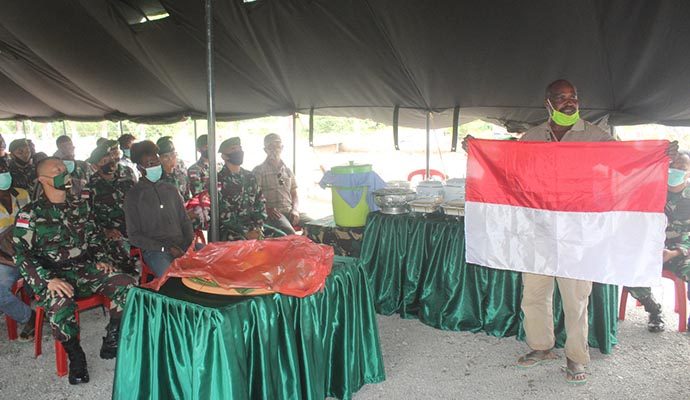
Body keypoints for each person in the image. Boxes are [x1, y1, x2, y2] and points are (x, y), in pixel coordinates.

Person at [13, 157, 135, 385]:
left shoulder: (80, 206)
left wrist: (100, 259)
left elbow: (94, 237)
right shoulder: (29, 214)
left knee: (127, 284)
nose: (64, 173)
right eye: (57, 170)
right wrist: (47, 280)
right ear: (43, 180)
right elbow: (22, 255)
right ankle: (75, 355)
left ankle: (113, 335)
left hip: (83, 269)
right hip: (52, 275)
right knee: (60, 304)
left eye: (64, 168)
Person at [627, 151, 690, 332]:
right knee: (628, 268)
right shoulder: (652, 191)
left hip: (681, 251)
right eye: (672, 166)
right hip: (650, 248)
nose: (675, 170)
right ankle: (654, 310)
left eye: (681, 167)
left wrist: (674, 252)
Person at [125, 141, 194, 277]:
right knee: (173, 279)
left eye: (157, 162)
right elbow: (134, 236)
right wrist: (165, 248)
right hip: (156, 251)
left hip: (182, 245)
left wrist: (189, 244)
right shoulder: (134, 196)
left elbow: (185, 221)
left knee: (212, 263)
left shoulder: (171, 189)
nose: (156, 167)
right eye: (150, 164)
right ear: (140, 168)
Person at [86, 141, 137, 274]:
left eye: (111, 159)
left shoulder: (127, 176)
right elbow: (88, 216)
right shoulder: (91, 186)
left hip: (134, 225)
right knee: (119, 248)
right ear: (95, 166)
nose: (110, 163)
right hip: (112, 231)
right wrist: (105, 231)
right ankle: (129, 275)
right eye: (104, 161)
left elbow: (140, 201)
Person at [0, 159, 34, 340]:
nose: (2, 174)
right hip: (4, 259)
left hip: (30, 252)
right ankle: (29, 317)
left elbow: (34, 223)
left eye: (4, 169)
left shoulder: (22, 194)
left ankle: (55, 312)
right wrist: (9, 261)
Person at [253, 133, 311, 234]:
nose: (274, 149)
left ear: (282, 147)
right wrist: (267, 209)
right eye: (270, 146)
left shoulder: (288, 170)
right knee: (289, 233)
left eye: (277, 145)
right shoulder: (258, 171)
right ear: (265, 150)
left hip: (289, 210)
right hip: (274, 213)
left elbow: (294, 193)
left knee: (316, 225)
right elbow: (253, 196)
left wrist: (295, 210)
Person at [217, 137, 267, 241]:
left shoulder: (250, 176)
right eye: (233, 149)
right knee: (242, 245)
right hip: (229, 229)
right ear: (224, 156)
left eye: (239, 148)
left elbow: (260, 202)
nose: (238, 151)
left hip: (252, 226)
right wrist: (245, 232)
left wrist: (258, 226)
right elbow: (223, 213)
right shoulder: (218, 180)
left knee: (281, 237)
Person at [157, 136, 191, 201]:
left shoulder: (181, 166)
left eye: (173, 154)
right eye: (166, 156)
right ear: (160, 159)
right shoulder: (157, 175)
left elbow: (186, 191)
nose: (170, 158)